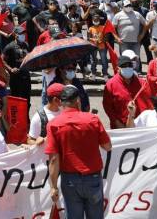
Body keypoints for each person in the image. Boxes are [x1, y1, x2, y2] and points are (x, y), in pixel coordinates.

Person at [46, 85, 112, 219]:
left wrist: (53, 187)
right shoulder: (92, 119)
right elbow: (107, 146)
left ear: (61, 103)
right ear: (77, 101)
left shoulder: (53, 124)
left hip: (70, 180)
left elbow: (53, 159)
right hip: (92, 178)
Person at [102, 51, 153, 128]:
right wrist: (116, 122)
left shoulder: (142, 83)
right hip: (120, 126)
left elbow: (150, 103)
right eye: (124, 66)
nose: (128, 68)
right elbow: (107, 107)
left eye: (130, 65)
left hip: (141, 126)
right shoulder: (111, 85)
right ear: (118, 69)